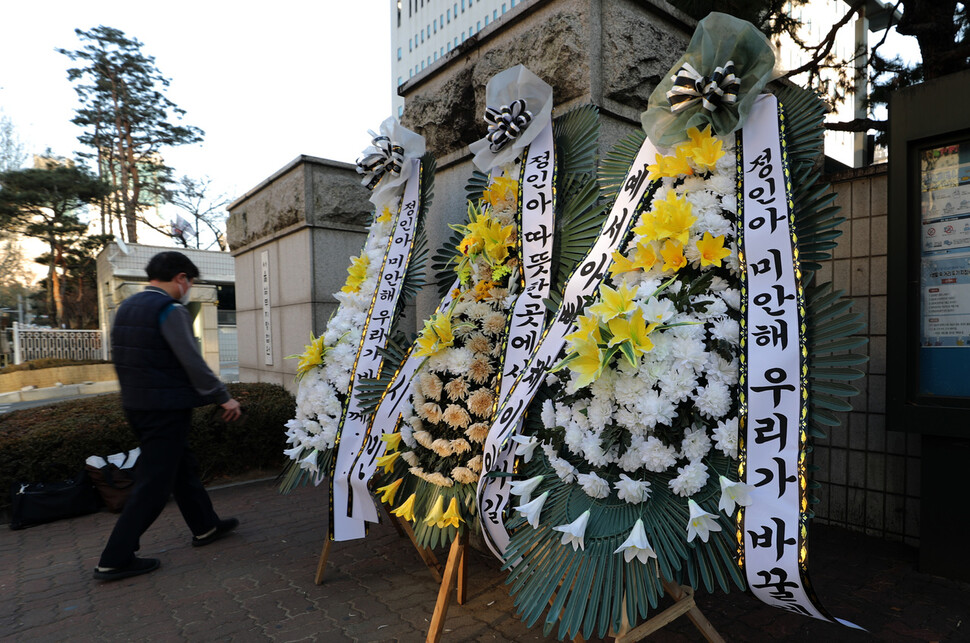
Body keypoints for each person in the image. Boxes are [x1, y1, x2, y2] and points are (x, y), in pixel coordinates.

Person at [94, 251, 243, 581]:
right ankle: (115, 558)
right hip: (164, 409)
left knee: (181, 468)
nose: (188, 288)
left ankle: (205, 527)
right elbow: (192, 360)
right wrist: (223, 397)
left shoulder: (128, 307)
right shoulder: (169, 309)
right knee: (155, 485)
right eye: (189, 282)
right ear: (180, 278)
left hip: (137, 405)